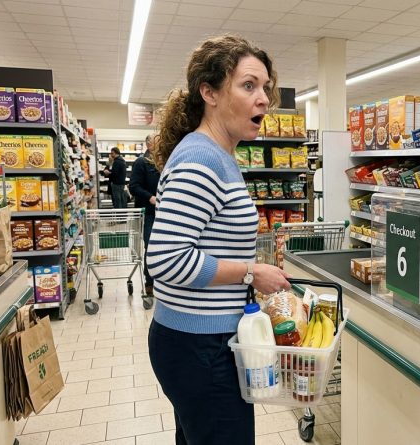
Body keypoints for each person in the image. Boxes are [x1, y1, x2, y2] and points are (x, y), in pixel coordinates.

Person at [146, 34, 291, 445]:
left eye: (265, 87)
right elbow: (167, 259)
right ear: (208, 92)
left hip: (199, 342)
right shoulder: (202, 157)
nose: (263, 98)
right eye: (249, 85)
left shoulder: (218, 155)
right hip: (199, 348)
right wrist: (250, 273)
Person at [129, 134, 161, 297]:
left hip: (165, 212)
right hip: (148, 213)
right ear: (149, 145)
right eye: (158, 141)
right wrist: (151, 198)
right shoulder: (141, 162)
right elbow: (133, 187)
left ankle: (164, 282)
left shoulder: (166, 161)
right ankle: (150, 283)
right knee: (151, 248)